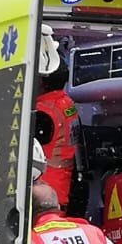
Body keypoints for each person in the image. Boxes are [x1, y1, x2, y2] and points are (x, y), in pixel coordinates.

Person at [32, 64, 79, 207]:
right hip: (62, 187)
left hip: (43, 190)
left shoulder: (42, 112)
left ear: (41, 81)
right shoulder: (67, 104)